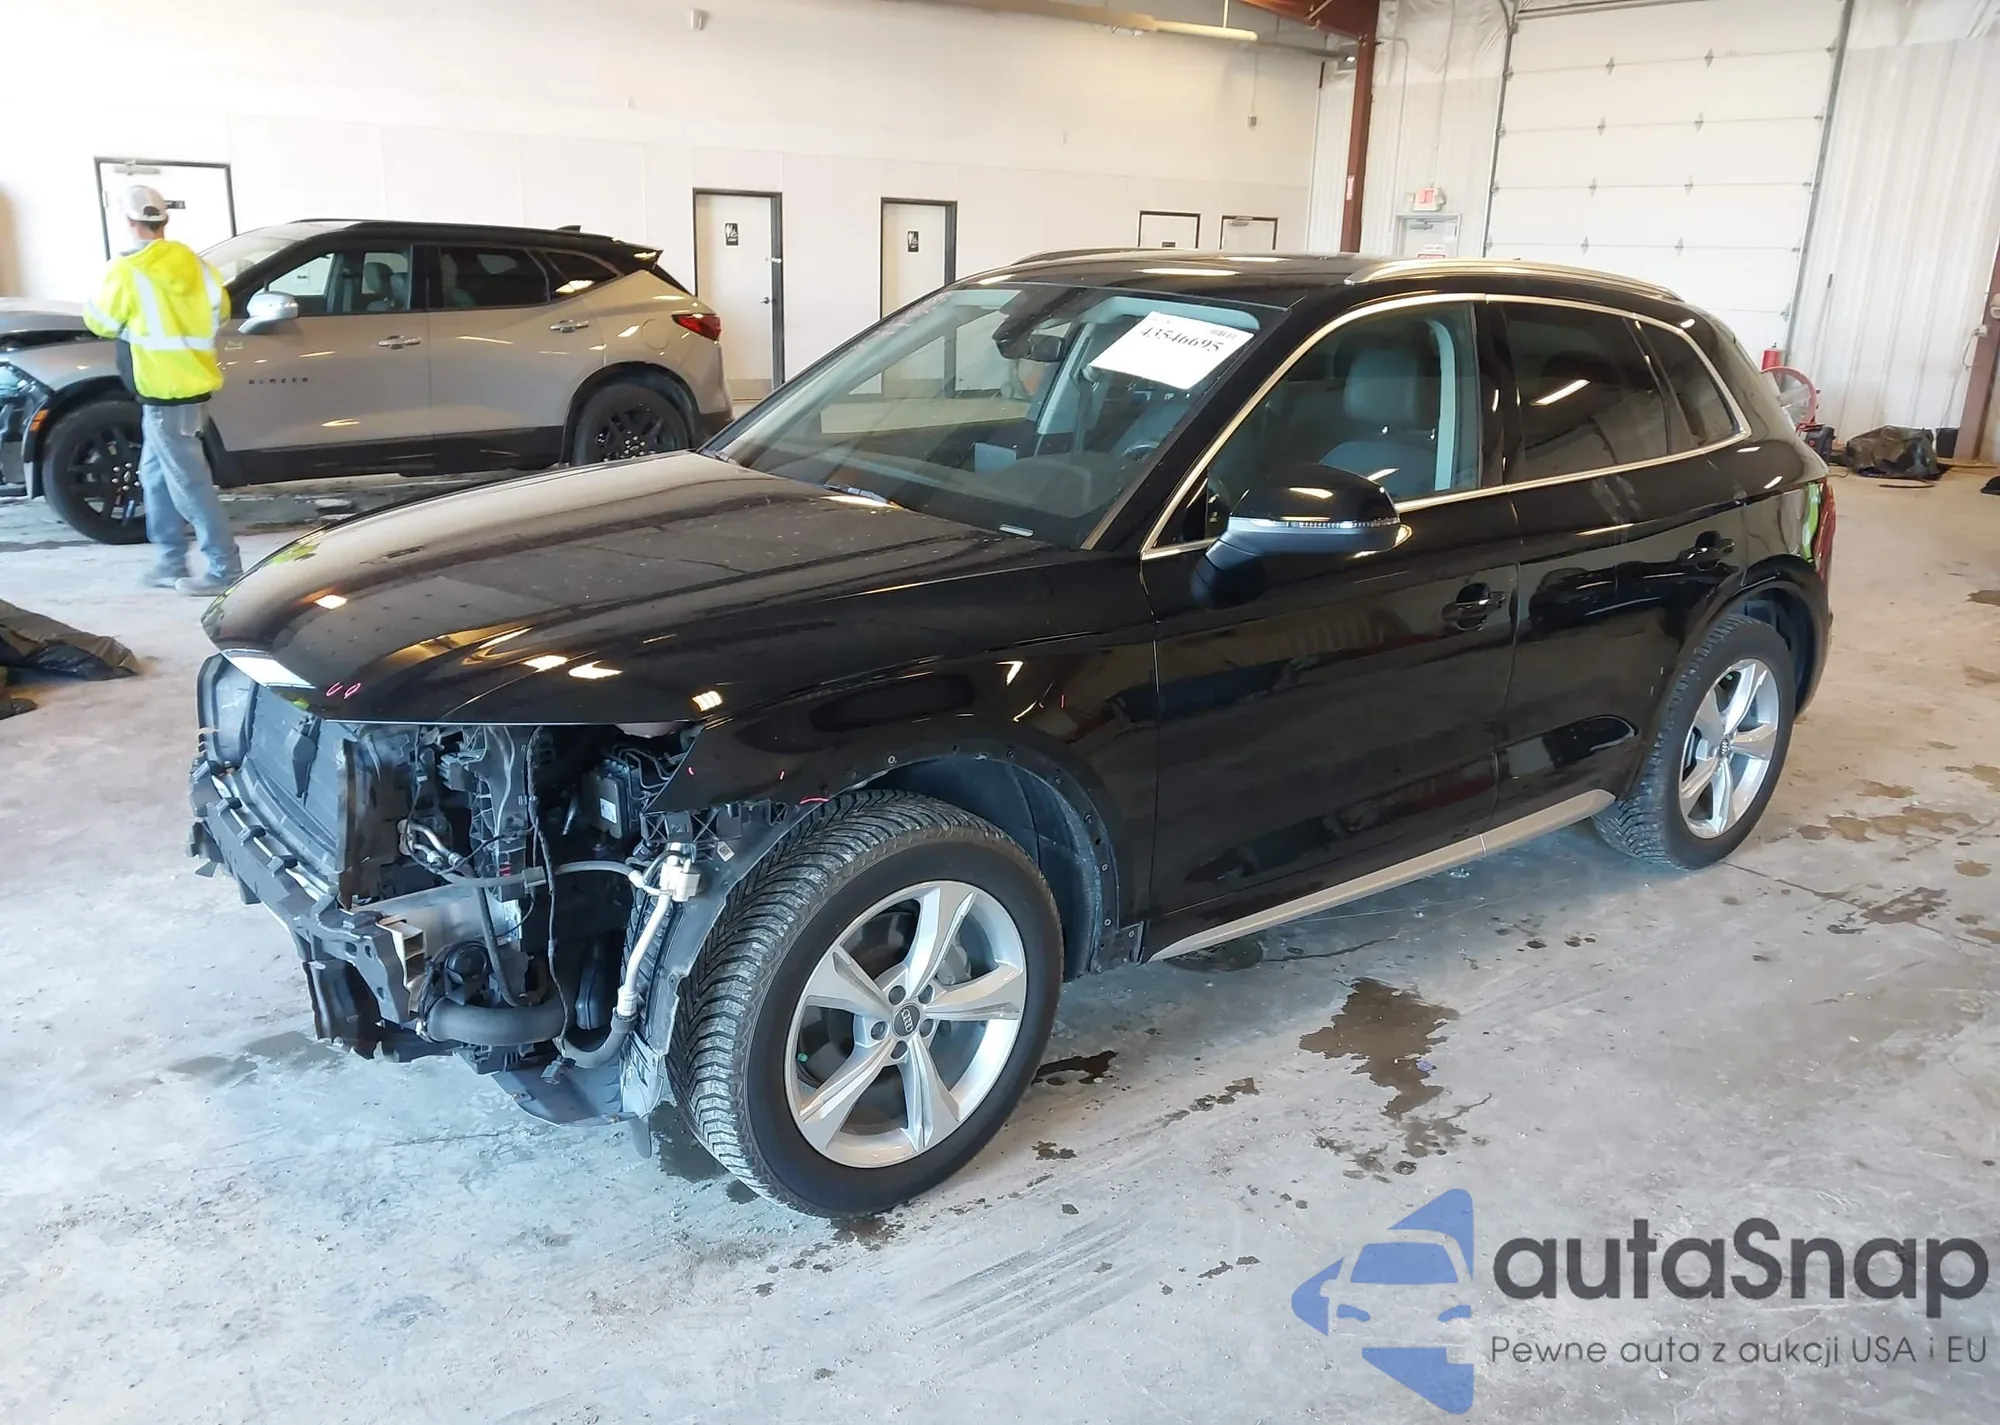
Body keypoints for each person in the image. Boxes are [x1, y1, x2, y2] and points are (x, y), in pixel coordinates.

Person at [82, 185, 242, 595]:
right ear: (163, 220)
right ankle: (169, 560)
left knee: (189, 484)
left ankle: (225, 567)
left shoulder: (127, 270)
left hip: (162, 392)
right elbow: (221, 314)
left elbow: (100, 322)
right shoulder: (197, 265)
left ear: (128, 221)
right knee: (154, 476)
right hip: (190, 386)